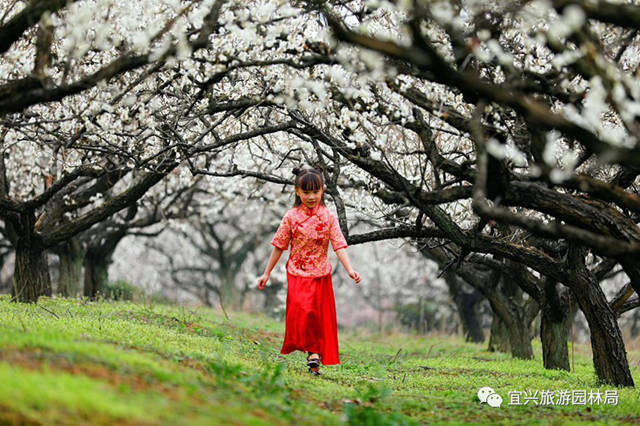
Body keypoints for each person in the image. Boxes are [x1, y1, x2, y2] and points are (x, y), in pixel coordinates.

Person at [257, 165, 362, 376]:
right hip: (296, 272)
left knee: (316, 316)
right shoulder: (291, 217)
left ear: (323, 190)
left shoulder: (329, 217)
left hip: (321, 274)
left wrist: (350, 269)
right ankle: (308, 349)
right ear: (297, 192)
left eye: (316, 191)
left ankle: (314, 354)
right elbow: (279, 245)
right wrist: (267, 272)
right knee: (302, 312)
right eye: (306, 192)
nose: (311, 197)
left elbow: (338, 244)